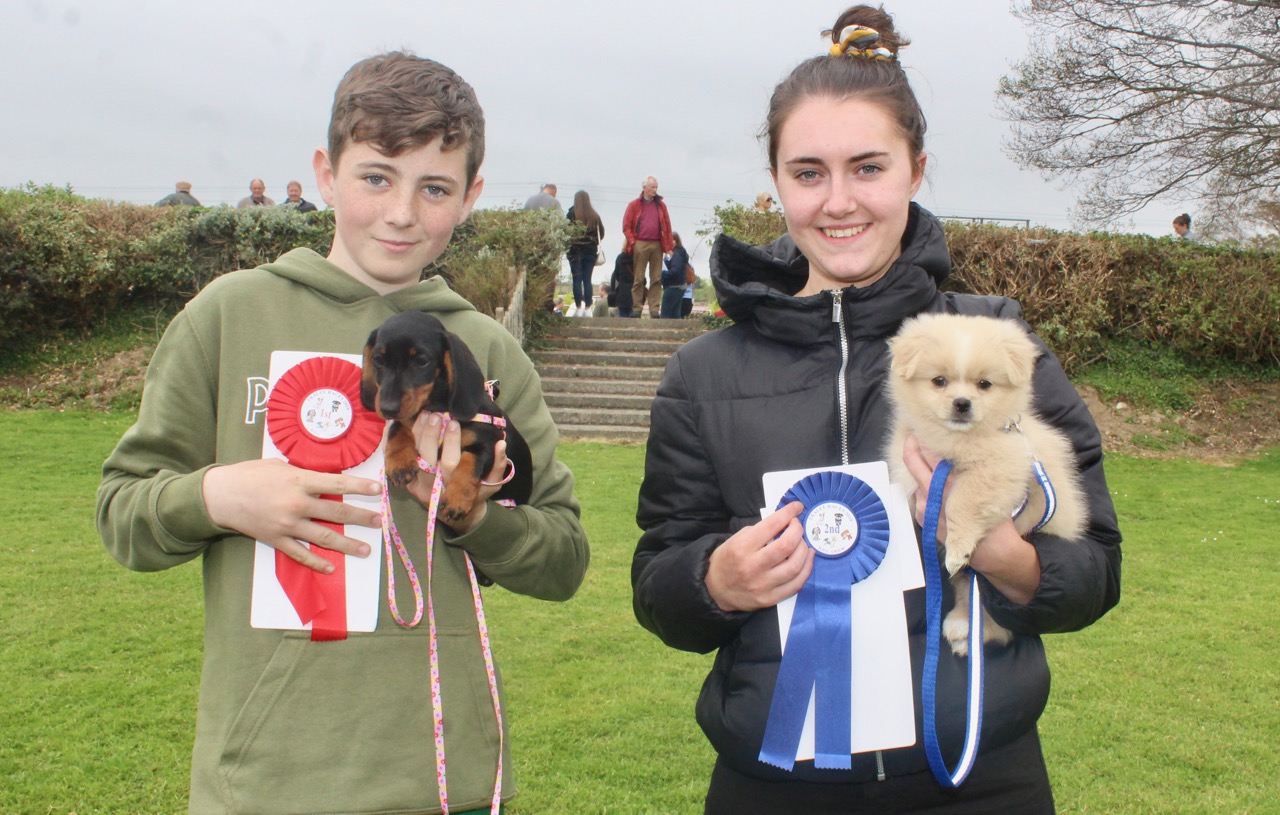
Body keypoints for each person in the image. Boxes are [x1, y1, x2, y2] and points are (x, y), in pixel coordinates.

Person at [630, 6, 1121, 814]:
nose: (839, 201)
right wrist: (715, 579)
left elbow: (1097, 568)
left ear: (915, 170)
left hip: (979, 775)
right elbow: (659, 587)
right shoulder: (701, 372)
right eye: (809, 172)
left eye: (868, 167)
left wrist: (1007, 556)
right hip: (774, 783)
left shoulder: (996, 343)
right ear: (778, 179)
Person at [97, 51, 589, 815]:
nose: (401, 212)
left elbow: (563, 560)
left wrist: (472, 513)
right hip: (263, 782)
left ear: (470, 196)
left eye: (434, 187)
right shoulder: (227, 317)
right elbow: (123, 514)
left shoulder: (485, 350)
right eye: (375, 177)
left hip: (441, 776)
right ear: (326, 174)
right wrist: (220, 495)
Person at [622, 176, 674, 317]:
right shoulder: (634, 205)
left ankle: (654, 308)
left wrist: (668, 247)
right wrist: (633, 242)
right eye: (652, 187)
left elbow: (667, 227)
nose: (654, 190)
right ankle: (637, 307)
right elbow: (626, 226)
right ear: (644, 187)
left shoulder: (661, 206)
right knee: (638, 278)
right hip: (641, 243)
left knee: (656, 278)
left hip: (657, 244)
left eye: (656, 187)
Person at [566, 190, 605, 317]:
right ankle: (588, 308)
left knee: (577, 280)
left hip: (575, 252)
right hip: (590, 252)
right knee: (587, 279)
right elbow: (602, 233)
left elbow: (565, 232)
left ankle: (578, 307)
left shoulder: (572, 214)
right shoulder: (594, 215)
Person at [660, 232, 690, 319]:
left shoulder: (676, 254)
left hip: (674, 286)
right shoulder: (676, 253)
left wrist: (663, 274)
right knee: (675, 314)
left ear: (676, 241)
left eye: (672, 240)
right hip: (679, 286)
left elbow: (675, 270)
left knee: (665, 313)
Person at [611, 249, 636, 318]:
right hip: (634, 293)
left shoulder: (620, 258)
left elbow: (616, 275)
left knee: (622, 317)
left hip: (622, 293)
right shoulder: (637, 257)